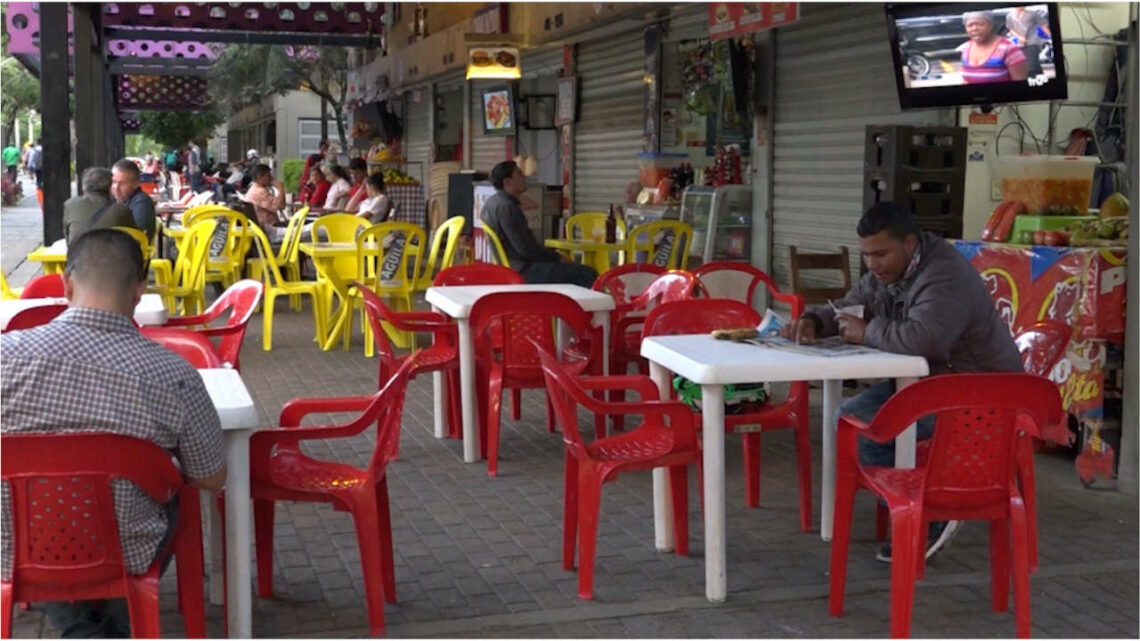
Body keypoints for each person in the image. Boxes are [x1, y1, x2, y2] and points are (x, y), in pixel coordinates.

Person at [1, 228, 226, 638]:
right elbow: (211, 477)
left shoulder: (5, 355)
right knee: (168, 496)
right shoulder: (172, 374)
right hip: (126, 549)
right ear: (139, 291)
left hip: (15, 546)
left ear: (67, 283)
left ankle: (82, 627)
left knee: (44, 508)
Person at [781, 201, 1023, 563]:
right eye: (865, 255)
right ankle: (926, 503)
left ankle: (929, 514)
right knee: (849, 421)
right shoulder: (888, 275)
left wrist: (867, 332)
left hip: (973, 393)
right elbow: (852, 304)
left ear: (909, 244)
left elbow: (925, 338)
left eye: (880, 254)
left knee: (864, 431)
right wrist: (815, 321)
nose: (872, 264)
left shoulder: (944, 274)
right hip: (929, 384)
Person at [481, 160, 597, 288]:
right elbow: (526, 249)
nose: (524, 177)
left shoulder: (492, 203)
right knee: (588, 273)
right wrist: (556, 258)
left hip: (512, 265)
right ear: (508, 182)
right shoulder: (507, 207)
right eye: (519, 174)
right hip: (524, 270)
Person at [64, 167, 138, 245]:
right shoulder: (122, 210)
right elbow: (136, 239)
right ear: (110, 189)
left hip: (78, 255)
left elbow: (68, 239)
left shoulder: (70, 205)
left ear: (83, 189)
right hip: (112, 256)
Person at [957, 10, 1028, 84]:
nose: (974, 28)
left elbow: (1021, 84)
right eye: (970, 25)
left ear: (991, 25)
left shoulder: (1009, 49)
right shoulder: (965, 48)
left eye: (980, 24)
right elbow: (966, 80)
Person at [111, 158, 157, 240]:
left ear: (136, 184)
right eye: (114, 182)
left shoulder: (142, 203)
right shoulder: (117, 200)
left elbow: (140, 237)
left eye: (122, 184)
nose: (116, 188)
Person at [244, 163, 287, 241]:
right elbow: (281, 206)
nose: (271, 178)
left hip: (267, 227)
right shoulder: (259, 192)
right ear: (259, 177)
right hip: (271, 229)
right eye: (268, 176)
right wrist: (281, 188)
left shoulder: (253, 189)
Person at [1006, 6, 1051, 78]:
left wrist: (1051, 37)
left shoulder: (1032, 14)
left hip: (1033, 42)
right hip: (1020, 44)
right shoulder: (1010, 16)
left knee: (1030, 67)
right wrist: (1019, 37)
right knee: (1033, 66)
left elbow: (1043, 25)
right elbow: (1011, 29)